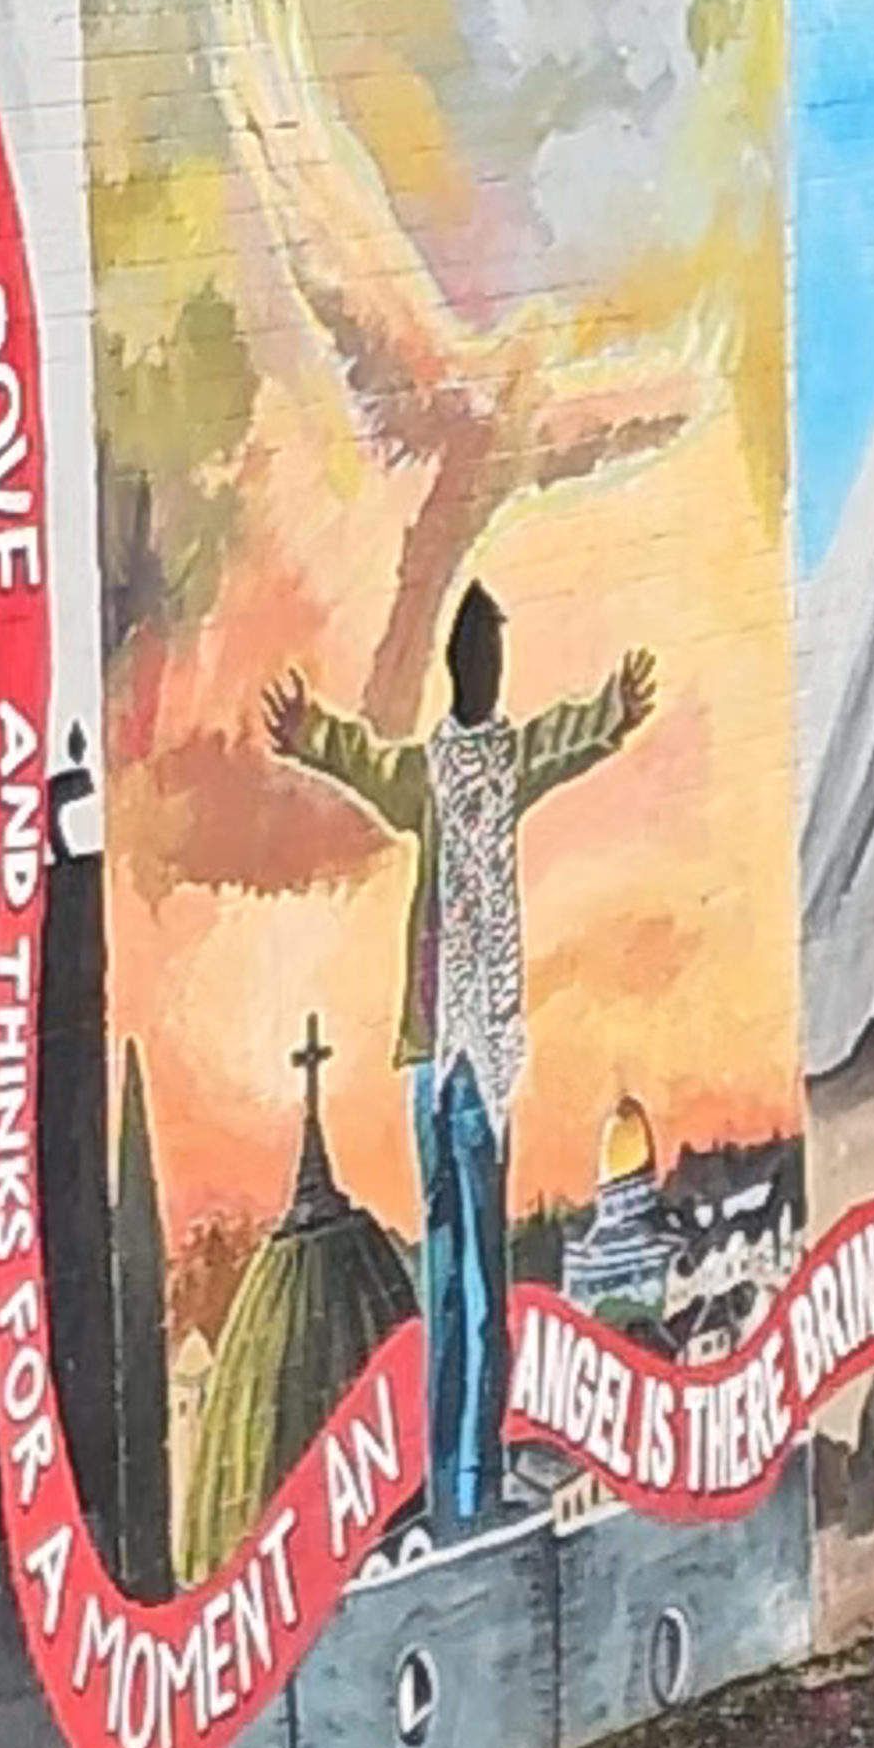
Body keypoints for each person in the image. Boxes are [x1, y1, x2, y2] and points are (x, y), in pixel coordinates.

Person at [263, 583, 656, 1535]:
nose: (490, 669)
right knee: (450, 1285)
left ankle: (473, 1483)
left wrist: (612, 712)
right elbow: (366, 762)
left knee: (481, 1286)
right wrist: (311, 734)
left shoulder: (506, 761)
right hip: (434, 1058)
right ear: (460, 668)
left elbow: (566, 739)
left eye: (495, 655)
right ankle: (454, 1489)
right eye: (480, 655)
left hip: (484, 1057)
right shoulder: (432, 773)